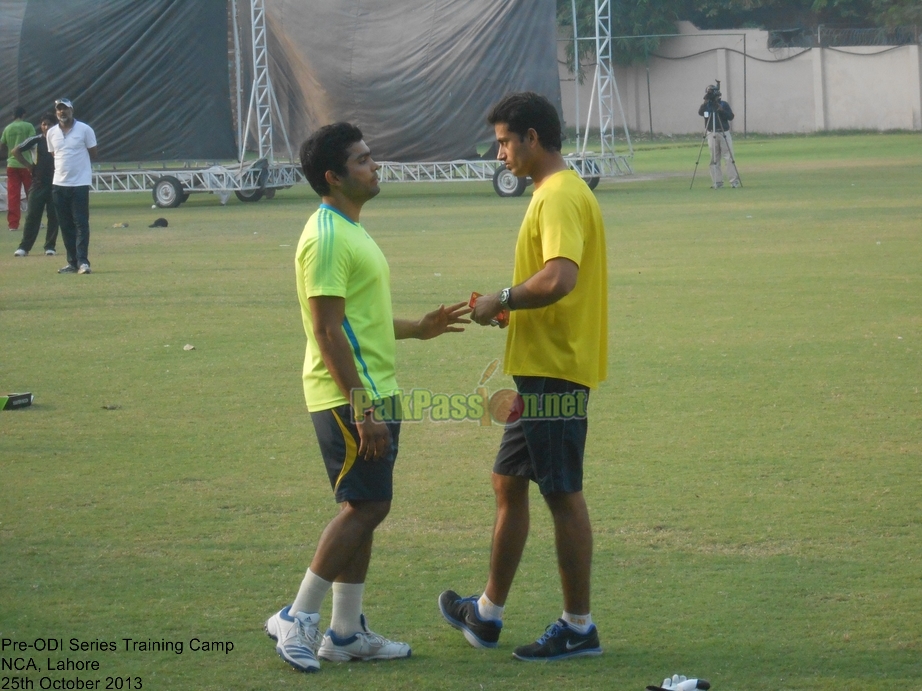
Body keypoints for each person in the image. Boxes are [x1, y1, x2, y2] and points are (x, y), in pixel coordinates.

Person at [265, 122, 470, 673]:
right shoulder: (328, 236)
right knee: (367, 506)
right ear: (333, 176)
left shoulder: (350, 229)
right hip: (350, 396)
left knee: (366, 507)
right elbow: (328, 330)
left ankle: (346, 633)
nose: (373, 165)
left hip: (376, 390)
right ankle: (297, 615)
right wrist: (362, 406)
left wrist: (417, 328)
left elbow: (362, 322)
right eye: (361, 160)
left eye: (370, 156)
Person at [438, 92, 608, 662]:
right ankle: (486, 614)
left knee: (562, 493)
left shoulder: (558, 195)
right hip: (538, 366)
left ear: (534, 138)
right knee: (508, 482)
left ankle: (578, 626)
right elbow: (555, 285)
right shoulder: (553, 191)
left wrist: (502, 297)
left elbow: (559, 278)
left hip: (555, 369)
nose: (499, 153)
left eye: (506, 141)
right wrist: (510, 309)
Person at [46, 98, 97, 274]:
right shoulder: (51, 133)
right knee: (65, 224)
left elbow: (93, 152)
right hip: (59, 185)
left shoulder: (84, 130)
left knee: (81, 223)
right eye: (59, 110)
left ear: (72, 110)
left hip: (80, 184)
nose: (62, 112)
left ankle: (83, 262)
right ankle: (72, 262)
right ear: (56, 112)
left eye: (65, 109)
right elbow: (54, 154)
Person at [12, 112, 58, 257]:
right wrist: (27, 165)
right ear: (41, 126)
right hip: (38, 184)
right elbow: (15, 151)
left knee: (54, 216)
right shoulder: (36, 140)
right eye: (44, 124)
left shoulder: (60, 140)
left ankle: (50, 247)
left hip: (56, 184)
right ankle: (24, 247)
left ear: (55, 125)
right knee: (32, 215)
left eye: (49, 124)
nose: (46, 127)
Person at [1, 106, 36, 232]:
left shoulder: (8, 128)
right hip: (26, 164)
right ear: (24, 114)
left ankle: (13, 225)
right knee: (31, 194)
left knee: (13, 196)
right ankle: (34, 221)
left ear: (12, 115)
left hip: (11, 165)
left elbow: (2, 145)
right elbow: (33, 143)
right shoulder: (28, 126)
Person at [698, 85, 740, 189]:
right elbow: (700, 113)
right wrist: (705, 102)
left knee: (729, 157)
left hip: (723, 132)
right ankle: (717, 182)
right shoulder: (707, 105)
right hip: (711, 132)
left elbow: (731, 116)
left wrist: (721, 110)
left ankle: (734, 181)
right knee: (714, 158)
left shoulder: (723, 104)